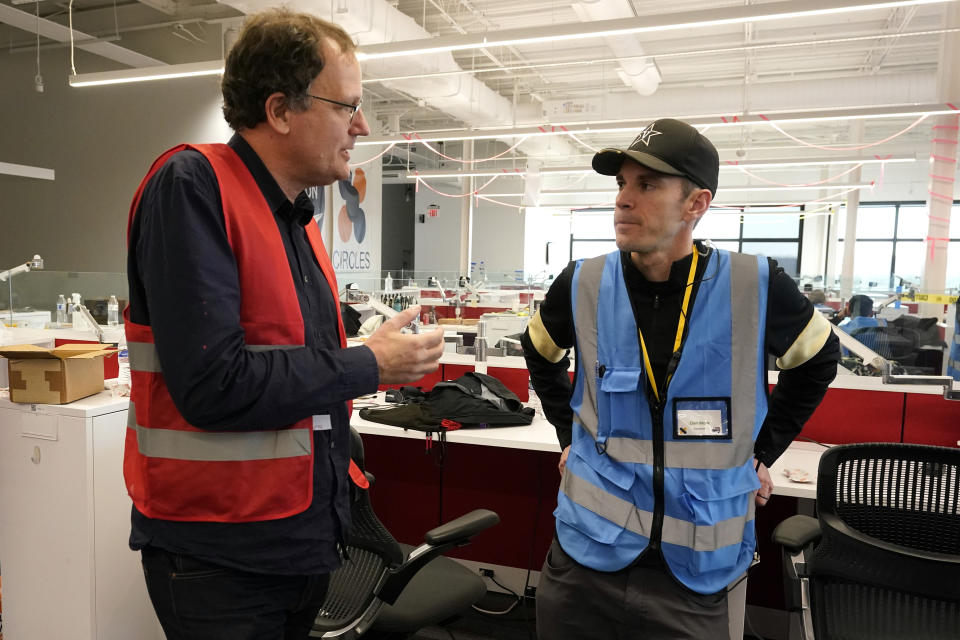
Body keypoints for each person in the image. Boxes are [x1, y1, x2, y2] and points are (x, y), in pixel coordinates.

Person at [123, 9, 444, 639]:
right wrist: (369, 363)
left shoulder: (295, 218)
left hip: (296, 541)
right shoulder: (192, 185)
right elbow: (214, 383)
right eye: (346, 106)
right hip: (221, 554)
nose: (363, 126)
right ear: (279, 110)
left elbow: (292, 367)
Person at [521, 118, 840, 639]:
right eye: (622, 183)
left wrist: (760, 451)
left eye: (646, 185)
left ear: (696, 203)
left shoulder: (753, 285)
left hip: (696, 574)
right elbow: (539, 351)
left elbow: (818, 357)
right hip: (587, 559)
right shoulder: (583, 282)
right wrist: (568, 434)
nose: (624, 199)